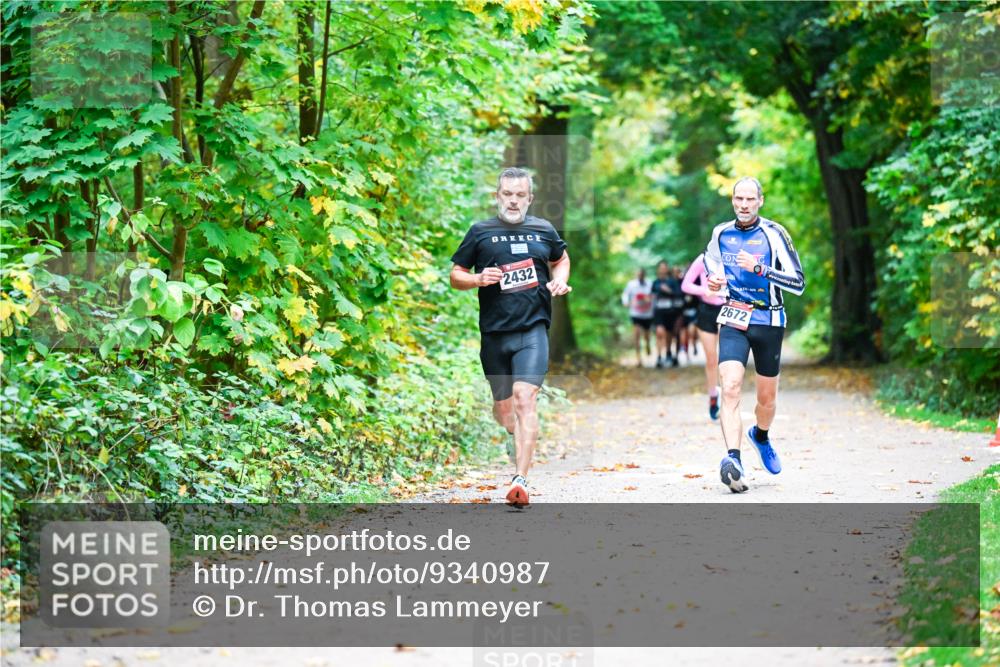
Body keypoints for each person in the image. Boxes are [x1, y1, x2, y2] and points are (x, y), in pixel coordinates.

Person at [450, 167, 571, 508]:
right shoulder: (480, 232)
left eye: (520, 195)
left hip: (532, 330)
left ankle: (520, 480)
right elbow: (455, 274)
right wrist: (476, 280)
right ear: (497, 196)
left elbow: (561, 259)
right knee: (505, 412)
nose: (513, 200)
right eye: (508, 194)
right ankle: (515, 437)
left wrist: (559, 279)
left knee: (525, 398)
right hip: (494, 335)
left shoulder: (543, 229)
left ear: (529, 199)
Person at [704, 176, 805, 493]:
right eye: (738, 199)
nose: (743, 205)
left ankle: (760, 435)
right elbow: (712, 263)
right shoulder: (721, 233)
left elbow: (798, 283)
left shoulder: (774, 234)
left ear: (760, 201)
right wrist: (714, 279)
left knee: (767, 400)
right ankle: (733, 461)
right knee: (730, 387)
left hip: (769, 321)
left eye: (750, 199)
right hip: (734, 317)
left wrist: (760, 269)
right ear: (732, 200)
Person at [681, 252, 725, 420]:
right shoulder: (702, 259)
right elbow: (685, 285)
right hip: (706, 311)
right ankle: (713, 396)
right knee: (712, 359)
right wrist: (704, 290)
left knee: (727, 359)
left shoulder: (732, 257)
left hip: (727, 309)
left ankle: (729, 396)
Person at [651, 261, 682, 368]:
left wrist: (669, 291)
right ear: (658, 270)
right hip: (658, 311)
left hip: (670, 312)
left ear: (667, 269)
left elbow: (678, 294)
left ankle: (668, 352)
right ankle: (659, 357)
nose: (663, 269)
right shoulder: (655, 282)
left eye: (664, 267)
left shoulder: (672, 282)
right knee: (659, 333)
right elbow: (652, 296)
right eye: (661, 268)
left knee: (669, 334)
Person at [621, 268, 654, 366]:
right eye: (638, 274)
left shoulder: (650, 284)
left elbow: (654, 295)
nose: (640, 276)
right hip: (635, 313)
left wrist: (649, 299)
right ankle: (639, 358)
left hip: (647, 314)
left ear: (644, 275)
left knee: (646, 335)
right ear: (636, 275)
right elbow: (625, 294)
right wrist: (626, 302)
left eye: (641, 274)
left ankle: (648, 344)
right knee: (636, 335)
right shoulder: (631, 284)